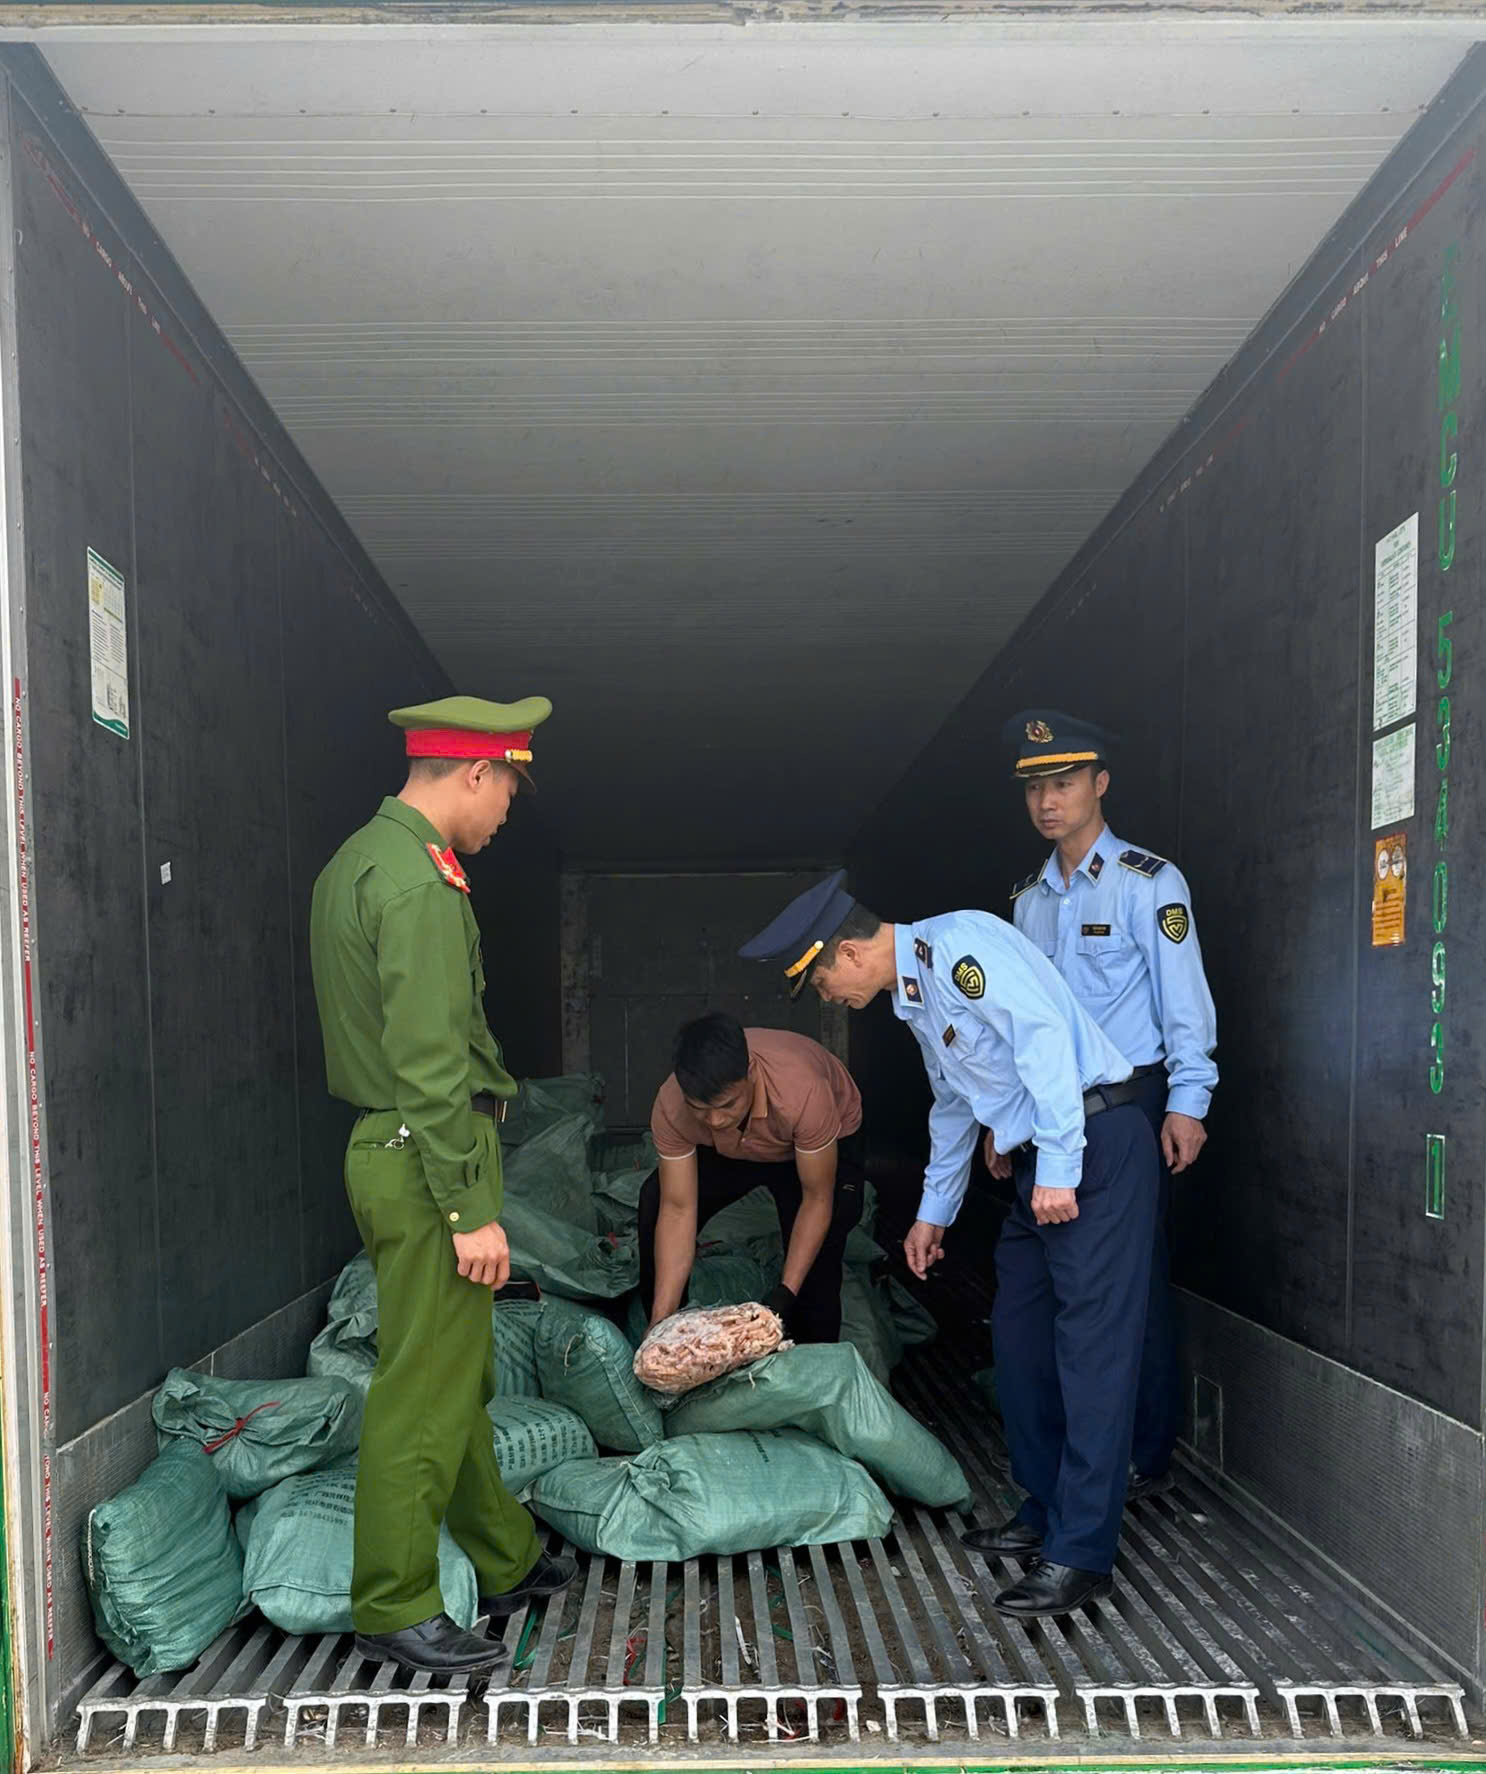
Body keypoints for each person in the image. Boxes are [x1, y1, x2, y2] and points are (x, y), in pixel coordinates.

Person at [740, 871, 1159, 1618]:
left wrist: (1060, 1167)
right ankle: (1043, 1512)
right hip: (1041, 1159)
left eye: (822, 983)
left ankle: (1082, 1552)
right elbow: (956, 1104)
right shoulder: (916, 993)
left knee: (1091, 1353)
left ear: (848, 953)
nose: (829, 999)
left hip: (1092, 1144)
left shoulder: (960, 948)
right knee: (1022, 1340)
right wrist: (934, 1213)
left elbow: (1044, 1042)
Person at [308, 694, 576, 1677]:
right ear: (475, 772)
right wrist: (469, 1206)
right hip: (426, 1153)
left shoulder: (357, 861)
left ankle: (502, 1556)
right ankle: (395, 1601)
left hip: (394, 1148)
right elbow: (426, 1060)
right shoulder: (419, 884)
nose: (505, 813)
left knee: (452, 1370)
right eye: (507, 790)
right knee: (420, 1385)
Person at [1001, 710, 1217, 1498]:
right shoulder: (1028, 900)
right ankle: (1085, 1456)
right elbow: (1021, 1023)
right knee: (1068, 1288)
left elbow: (1183, 1001)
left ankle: (1143, 1453)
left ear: (1100, 783)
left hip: (1131, 1104)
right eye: (1035, 788)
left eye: (1063, 783)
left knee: (1130, 1285)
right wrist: (1007, 1119)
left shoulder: (1148, 884)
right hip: (1053, 1113)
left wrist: (1188, 1102)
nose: (1047, 802)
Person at [639, 1012, 864, 1341]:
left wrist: (784, 1294)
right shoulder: (671, 1104)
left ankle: (814, 1351)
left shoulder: (803, 1090)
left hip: (810, 1142)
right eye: (700, 1109)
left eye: (727, 1104)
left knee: (820, 1254)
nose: (715, 1120)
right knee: (654, 1199)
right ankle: (668, 1331)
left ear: (751, 1074)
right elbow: (678, 1208)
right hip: (734, 1145)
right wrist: (660, 1319)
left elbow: (817, 1198)